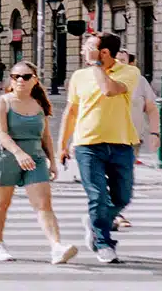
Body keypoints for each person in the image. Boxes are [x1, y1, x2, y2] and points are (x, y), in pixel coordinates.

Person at [0, 61, 78, 265]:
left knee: (44, 204)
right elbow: (1, 133)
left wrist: (51, 161)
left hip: (34, 157)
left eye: (25, 77)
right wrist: (18, 153)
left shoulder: (38, 104)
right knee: (1, 204)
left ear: (34, 80)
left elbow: (45, 136)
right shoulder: (3, 102)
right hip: (5, 156)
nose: (20, 81)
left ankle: (56, 247)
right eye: (16, 76)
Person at [59, 32, 142, 263]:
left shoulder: (128, 71)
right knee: (97, 195)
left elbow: (109, 90)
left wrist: (97, 65)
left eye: (88, 47)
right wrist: (62, 145)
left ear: (104, 52)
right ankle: (103, 242)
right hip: (87, 144)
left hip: (121, 143)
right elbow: (72, 111)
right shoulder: (78, 76)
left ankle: (94, 221)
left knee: (122, 197)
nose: (83, 51)